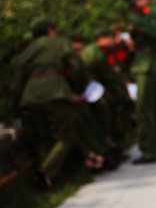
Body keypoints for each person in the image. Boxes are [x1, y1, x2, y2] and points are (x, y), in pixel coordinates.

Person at [10, 18, 111, 187]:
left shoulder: (28, 49)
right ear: (50, 30)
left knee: (44, 137)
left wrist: (15, 105)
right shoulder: (59, 42)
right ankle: (44, 174)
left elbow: (17, 79)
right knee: (66, 137)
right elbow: (76, 67)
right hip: (55, 91)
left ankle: (51, 178)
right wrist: (78, 88)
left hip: (31, 95)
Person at [123, 0, 156, 164]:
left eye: (134, 3)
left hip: (149, 64)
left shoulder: (151, 12)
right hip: (149, 63)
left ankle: (152, 151)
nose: (132, 8)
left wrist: (136, 23)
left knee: (144, 109)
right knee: (154, 109)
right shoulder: (146, 14)